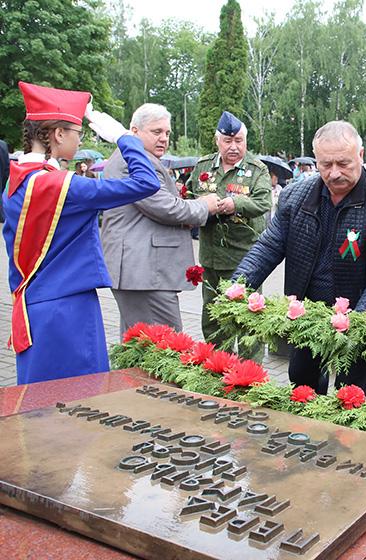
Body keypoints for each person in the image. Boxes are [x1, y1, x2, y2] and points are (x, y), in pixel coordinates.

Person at [3, 81, 159, 384]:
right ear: (58, 134)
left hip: (32, 307)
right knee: (79, 405)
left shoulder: (14, 182)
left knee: (37, 407)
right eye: (79, 133)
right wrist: (125, 138)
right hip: (69, 310)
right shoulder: (64, 185)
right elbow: (146, 182)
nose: (81, 140)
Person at [234, 121, 366, 394]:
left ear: (361, 154)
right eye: (325, 164)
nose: (334, 173)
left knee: (351, 392)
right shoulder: (295, 195)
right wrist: (238, 285)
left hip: (358, 313)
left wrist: (354, 324)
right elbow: (269, 245)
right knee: (302, 380)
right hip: (307, 309)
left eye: (343, 163)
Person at [101, 103, 221, 334]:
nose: (164, 138)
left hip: (141, 272)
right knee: (166, 347)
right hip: (144, 273)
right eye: (156, 132)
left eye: (167, 133)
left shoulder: (133, 157)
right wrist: (204, 205)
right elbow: (165, 207)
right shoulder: (135, 161)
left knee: (139, 347)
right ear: (134, 131)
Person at [187, 111, 271, 361]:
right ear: (218, 141)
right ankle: (217, 368)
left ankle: (250, 376)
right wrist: (202, 204)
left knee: (247, 320)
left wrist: (236, 204)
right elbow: (187, 199)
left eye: (239, 141)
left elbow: (264, 201)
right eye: (228, 141)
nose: (234, 147)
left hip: (245, 260)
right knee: (213, 318)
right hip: (211, 259)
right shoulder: (203, 166)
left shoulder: (257, 169)